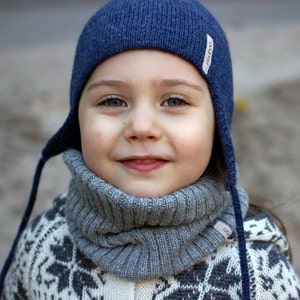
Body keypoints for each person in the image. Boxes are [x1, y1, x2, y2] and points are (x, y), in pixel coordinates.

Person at [1, 0, 299, 299]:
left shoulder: (258, 271)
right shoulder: (42, 243)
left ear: (217, 124)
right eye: (113, 101)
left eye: (174, 101)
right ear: (76, 121)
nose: (141, 127)